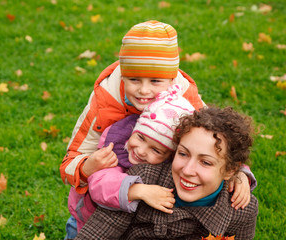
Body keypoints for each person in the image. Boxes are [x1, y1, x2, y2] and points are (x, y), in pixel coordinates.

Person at [61, 20, 204, 239]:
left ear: (171, 78)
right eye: (134, 79)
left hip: (152, 215)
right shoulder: (105, 100)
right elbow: (69, 162)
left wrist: (239, 172)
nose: (144, 91)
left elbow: (217, 141)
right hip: (95, 216)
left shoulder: (185, 99)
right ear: (123, 74)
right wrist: (88, 166)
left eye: (156, 81)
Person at [68, 86, 256, 233]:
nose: (141, 152)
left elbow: (220, 152)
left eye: (156, 150)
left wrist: (241, 174)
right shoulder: (117, 156)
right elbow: (99, 186)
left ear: (169, 154)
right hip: (85, 217)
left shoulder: (238, 206)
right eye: (140, 138)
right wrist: (137, 190)